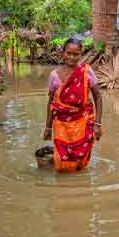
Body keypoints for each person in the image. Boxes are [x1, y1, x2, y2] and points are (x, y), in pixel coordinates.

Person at [43, 38, 103, 172]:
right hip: (61, 124)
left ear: (80, 54)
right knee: (61, 159)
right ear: (62, 53)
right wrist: (48, 127)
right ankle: (63, 188)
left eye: (75, 54)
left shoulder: (87, 72)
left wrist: (97, 124)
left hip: (82, 122)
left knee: (80, 157)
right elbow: (51, 102)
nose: (71, 57)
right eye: (68, 53)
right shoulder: (54, 75)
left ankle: (80, 187)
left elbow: (98, 97)